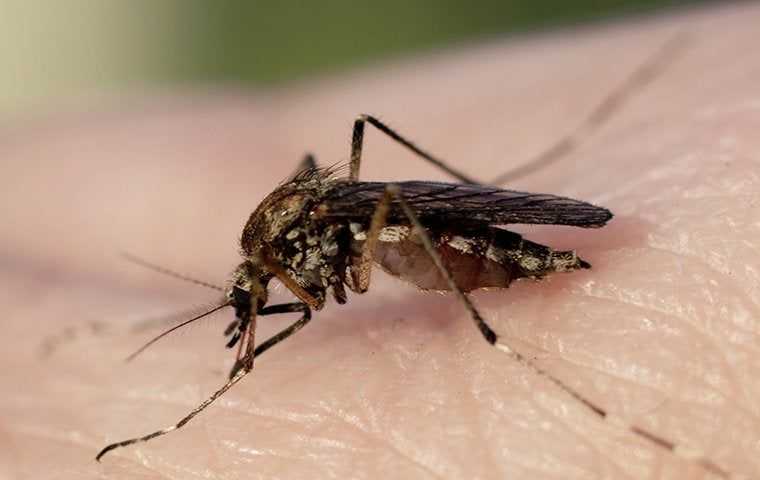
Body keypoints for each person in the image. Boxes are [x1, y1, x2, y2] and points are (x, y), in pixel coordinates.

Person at [0, 3, 756, 478]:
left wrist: (225, 384)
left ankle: (496, 339)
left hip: (415, 228)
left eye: (249, 302)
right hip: (380, 225)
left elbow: (340, 233)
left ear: (259, 272)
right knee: (366, 178)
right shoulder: (269, 257)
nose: (251, 313)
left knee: (382, 194)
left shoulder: (278, 259)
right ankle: (488, 193)